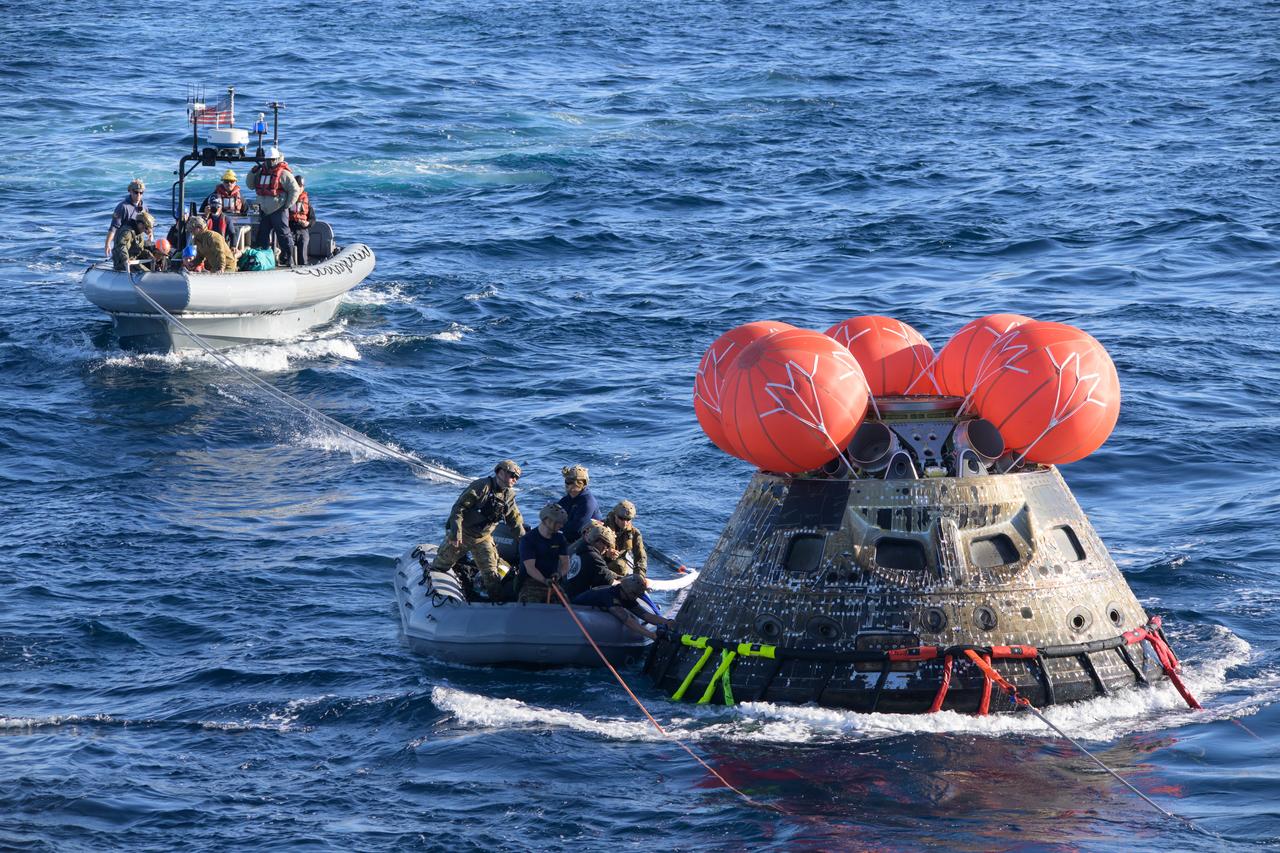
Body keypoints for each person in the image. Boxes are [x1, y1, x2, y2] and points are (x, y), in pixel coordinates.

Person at [431, 460, 524, 599]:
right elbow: (459, 508)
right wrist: (456, 532)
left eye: (517, 477)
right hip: (464, 534)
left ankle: (494, 604)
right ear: (500, 472)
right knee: (441, 565)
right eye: (512, 475)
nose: (514, 479)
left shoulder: (508, 495)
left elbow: (514, 520)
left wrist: (525, 541)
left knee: (491, 575)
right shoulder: (481, 486)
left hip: (483, 538)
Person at [572, 575, 674, 640]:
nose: (635, 598)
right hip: (573, 610)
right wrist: (651, 635)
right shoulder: (610, 596)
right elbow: (626, 620)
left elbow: (645, 615)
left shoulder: (625, 595)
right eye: (634, 595)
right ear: (628, 591)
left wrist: (667, 622)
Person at [246, 147, 300, 267]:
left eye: (272, 160)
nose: (270, 162)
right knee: (262, 235)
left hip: (278, 209)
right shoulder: (260, 172)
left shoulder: (284, 174)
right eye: (268, 160)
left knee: (284, 235)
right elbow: (250, 185)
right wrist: (252, 173)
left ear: (276, 159)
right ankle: (265, 259)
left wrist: (287, 205)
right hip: (264, 210)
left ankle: (290, 258)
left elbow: (294, 190)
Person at [517, 503, 571, 605]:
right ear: (547, 520)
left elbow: (565, 563)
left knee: (565, 606)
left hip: (553, 581)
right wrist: (544, 580)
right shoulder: (528, 540)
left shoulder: (560, 539)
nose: (561, 526)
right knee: (531, 605)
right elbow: (530, 568)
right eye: (558, 522)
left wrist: (559, 574)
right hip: (531, 581)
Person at [563, 520, 619, 599]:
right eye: (607, 545)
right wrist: (624, 583)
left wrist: (617, 576)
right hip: (577, 598)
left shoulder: (581, 548)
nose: (606, 549)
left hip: (567, 592)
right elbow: (609, 581)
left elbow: (601, 571)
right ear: (599, 541)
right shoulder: (593, 557)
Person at [104, 179, 150, 257]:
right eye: (136, 192)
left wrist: (150, 234)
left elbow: (147, 227)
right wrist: (107, 244)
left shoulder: (144, 208)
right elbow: (113, 227)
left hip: (137, 244)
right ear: (130, 191)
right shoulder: (122, 207)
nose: (138, 195)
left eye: (141, 192)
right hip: (122, 245)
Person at [558, 464, 602, 544]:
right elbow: (554, 515)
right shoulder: (567, 499)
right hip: (568, 537)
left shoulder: (587, 503)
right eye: (566, 481)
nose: (566, 484)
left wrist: (555, 527)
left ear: (581, 483)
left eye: (570, 482)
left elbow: (576, 530)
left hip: (586, 543)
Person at [604, 500, 648, 580]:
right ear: (615, 516)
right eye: (621, 518)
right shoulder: (601, 529)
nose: (625, 523)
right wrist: (606, 553)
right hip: (598, 561)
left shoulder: (634, 533)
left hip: (616, 563)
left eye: (628, 519)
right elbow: (589, 550)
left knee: (620, 566)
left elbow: (641, 557)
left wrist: (639, 577)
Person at [289, 175, 316, 266]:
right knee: (288, 249)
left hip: (302, 229)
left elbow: (312, 219)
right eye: (297, 186)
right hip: (289, 228)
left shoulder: (306, 201)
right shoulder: (288, 198)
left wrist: (307, 223)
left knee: (303, 246)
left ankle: (303, 266)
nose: (299, 188)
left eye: (301, 186)